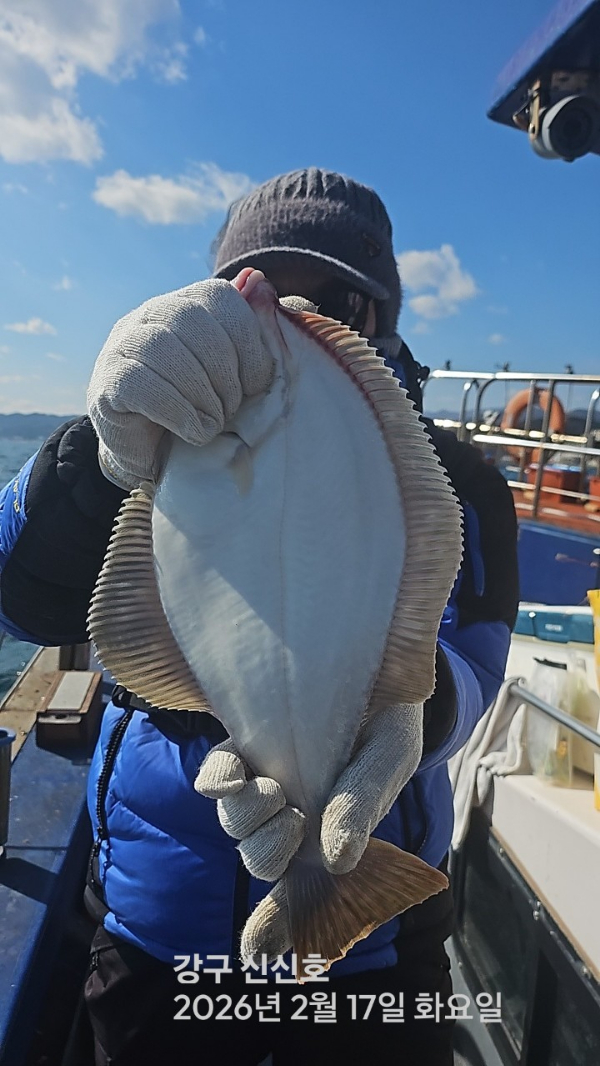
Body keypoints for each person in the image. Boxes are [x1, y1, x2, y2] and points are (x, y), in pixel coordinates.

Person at [0, 168, 519, 1066]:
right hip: (157, 927)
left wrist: (412, 709)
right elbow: (20, 597)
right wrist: (101, 450)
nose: (291, 313)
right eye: (259, 291)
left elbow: (479, 667)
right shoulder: (150, 438)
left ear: (381, 318)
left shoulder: (457, 479)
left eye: (337, 301)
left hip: (376, 946)